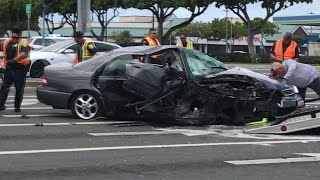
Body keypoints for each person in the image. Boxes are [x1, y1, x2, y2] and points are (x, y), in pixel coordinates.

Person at [0, 28, 31, 112]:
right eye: (13, 37)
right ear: (12, 35)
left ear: (20, 36)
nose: (14, 39)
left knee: (19, 88)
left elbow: (23, 53)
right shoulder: (7, 42)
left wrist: (14, 60)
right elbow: (1, 47)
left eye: (16, 38)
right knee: (5, 87)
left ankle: (17, 107)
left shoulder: (23, 43)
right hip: (10, 68)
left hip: (20, 69)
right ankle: (1, 105)